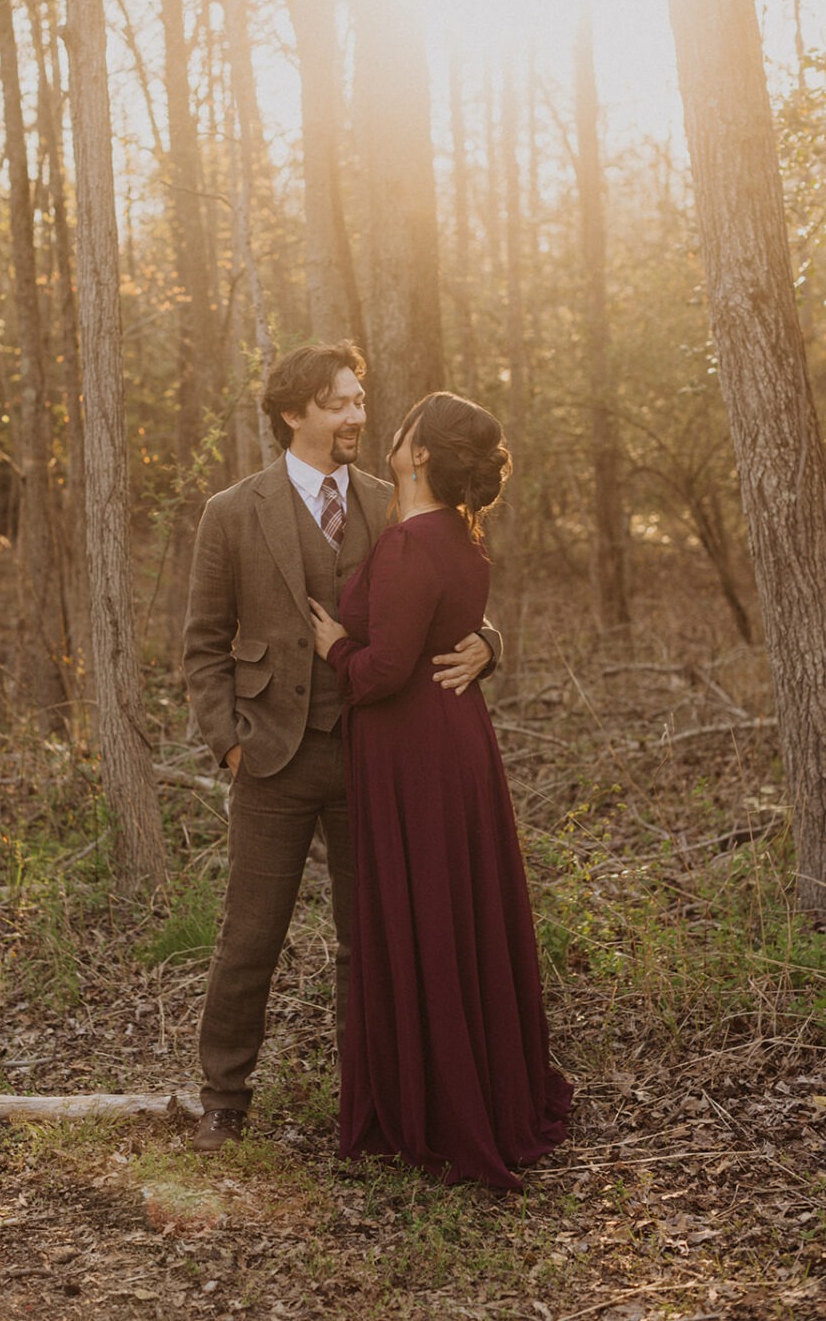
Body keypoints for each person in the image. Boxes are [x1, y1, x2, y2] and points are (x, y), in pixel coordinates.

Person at [183, 343, 500, 1153]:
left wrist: (490, 643)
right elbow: (204, 645)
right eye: (340, 403)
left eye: (361, 401)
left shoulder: (390, 500)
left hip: (375, 760)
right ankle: (224, 1097)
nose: (359, 416)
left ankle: (373, 1102)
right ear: (296, 414)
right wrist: (229, 746)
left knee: (373, 941)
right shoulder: (232, 511)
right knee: (250, 936)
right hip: (274, 758)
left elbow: (440, 590)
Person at [310, 391, 572, 1189]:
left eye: (405, 428)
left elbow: (387, 668)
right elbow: (445, 621)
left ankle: (439, 1103)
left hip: (412, 749)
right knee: (455, 908)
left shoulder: (408, 544)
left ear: (421, 453)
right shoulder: (460, 535)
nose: (390, 431)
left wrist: (333, 648)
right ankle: (472, 1085)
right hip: (456, 742)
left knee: (425, 909)